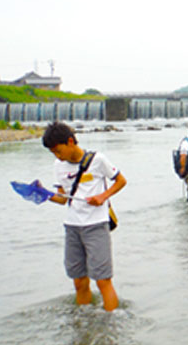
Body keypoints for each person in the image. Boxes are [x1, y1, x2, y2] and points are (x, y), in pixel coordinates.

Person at [42, 122, 126, 312]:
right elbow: (63, 199)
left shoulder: (98, 160)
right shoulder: (58, 166)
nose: (57, 155)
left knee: (103, 281)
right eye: (53, 153)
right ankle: (84, 323)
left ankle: (111, 324)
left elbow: (121, 181)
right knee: (79, 281)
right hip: (72, 227)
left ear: (70, 141)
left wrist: (103, 196)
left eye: (58, 150)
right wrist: (43, 194)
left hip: (96, 225)